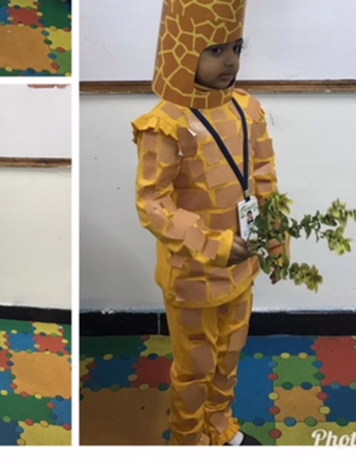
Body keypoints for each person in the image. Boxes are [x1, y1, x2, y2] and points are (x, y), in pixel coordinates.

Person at [133, 36, 284, 446]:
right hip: (193, 276)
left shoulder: (247, 109)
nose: (230, 60)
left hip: (242, 266)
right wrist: (211, 243)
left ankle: (219, 426)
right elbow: (153, 203)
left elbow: (264, 178)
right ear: (185, 50)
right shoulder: (166, 123)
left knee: (228, 357)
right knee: (196, 367)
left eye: (236, 48)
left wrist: (275, 239)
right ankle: (189, 441)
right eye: (215, 50)